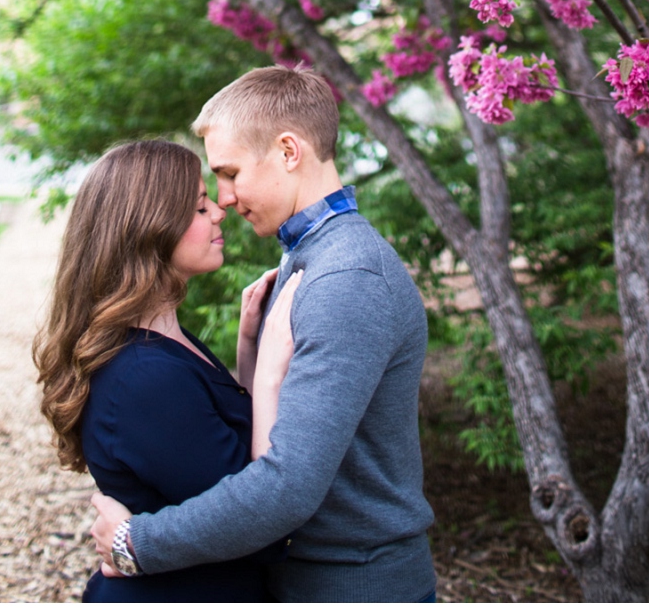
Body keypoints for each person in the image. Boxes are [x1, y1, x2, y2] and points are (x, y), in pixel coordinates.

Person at [91, 66, 437, 603]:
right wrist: (253, 361)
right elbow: (283, 435)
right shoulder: (308, 257)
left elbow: (285, 487)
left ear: (288, 152)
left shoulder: (346, 278)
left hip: (352, 582)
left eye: (229, 173)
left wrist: (136, 542)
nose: (223, 199)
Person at [33, 138, 301, 603]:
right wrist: (272, 374)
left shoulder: (166, 343)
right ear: (148, 230)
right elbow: (259, 524)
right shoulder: (144, 376)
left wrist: (249, 348)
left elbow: (219, 448)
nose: (219, 211)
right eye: (199, 209)